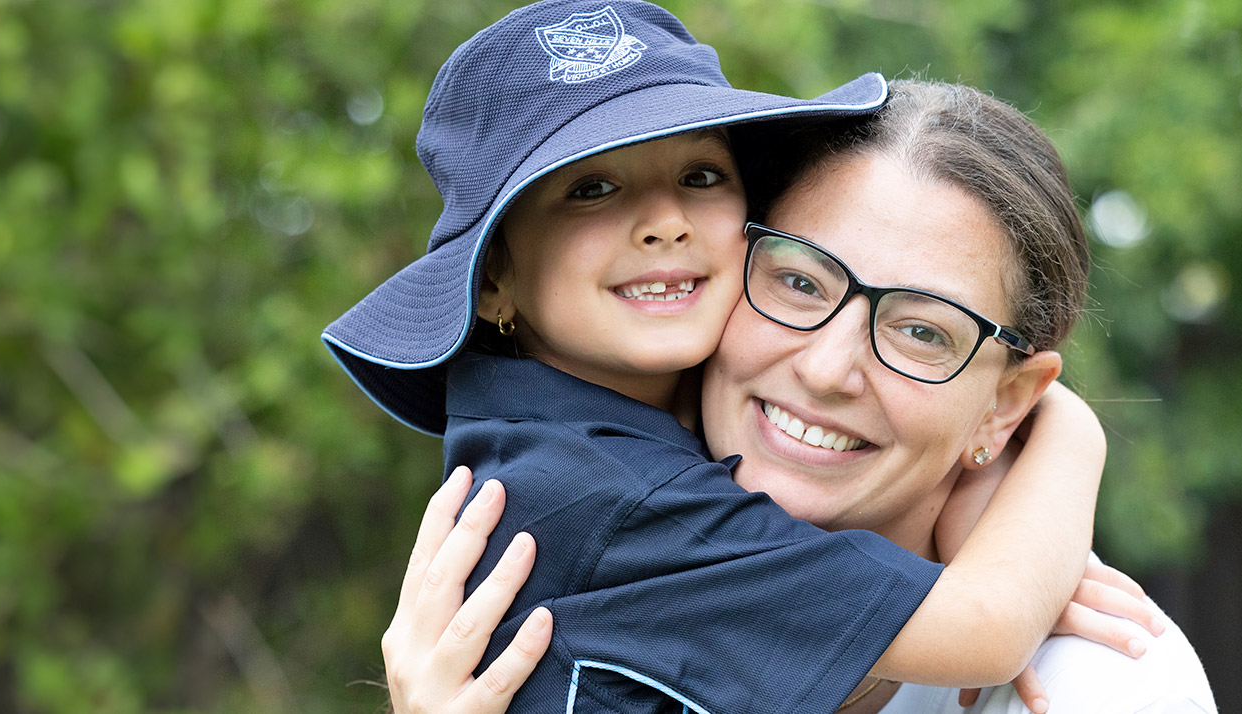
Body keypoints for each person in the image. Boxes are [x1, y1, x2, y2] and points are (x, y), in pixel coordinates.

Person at [322, 3, 1115, 712]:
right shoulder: (625, 498)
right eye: (590, 188)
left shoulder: (555, 441)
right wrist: (1070, 432)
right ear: (493, 280)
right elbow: (986, 629)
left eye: (700, 175)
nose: (665, 220)